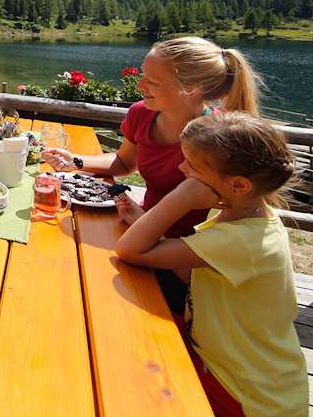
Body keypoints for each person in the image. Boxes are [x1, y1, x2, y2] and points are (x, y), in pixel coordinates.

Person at [43, 36, 261, 312]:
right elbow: (124, 163)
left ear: (191, 88)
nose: (140, 84)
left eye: (153, 81)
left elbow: (230, 223)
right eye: (143, 75)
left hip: (183, 258)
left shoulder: (216, 140)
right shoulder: (141, 114)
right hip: (137, 228)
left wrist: (147, 228)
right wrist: (76, 161)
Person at [115, 111, 308, 417]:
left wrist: (181, 197)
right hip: (234, 370)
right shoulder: (241, 217)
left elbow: (129, 250)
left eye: (191, 166)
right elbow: (193, 272)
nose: (181, 168)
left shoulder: (242, 239)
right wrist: (145, 221)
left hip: (245, 393)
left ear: (239, 185)